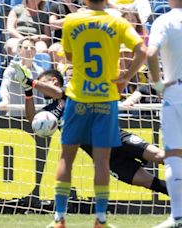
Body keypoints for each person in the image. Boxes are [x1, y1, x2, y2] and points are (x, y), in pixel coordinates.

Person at [47, 0, 148, 226]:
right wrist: (126, 78)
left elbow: (70, 57)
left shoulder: (72, 20)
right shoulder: (117, 21)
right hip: (106, 99)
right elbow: (142, 49)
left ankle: (59, 219)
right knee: (102, 161)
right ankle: (100, 219)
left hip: (78, 98)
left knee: (66, 157)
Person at [17, 69, 168, 196]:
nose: (39, 85)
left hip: (116, 138)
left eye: (41, 81)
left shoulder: (72, 90)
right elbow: (32, 119)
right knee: (150, 183)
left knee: (161, 156)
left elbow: (57, 93)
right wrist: (28, 91)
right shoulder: (50, 112)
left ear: (53, 80)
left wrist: (31, 81)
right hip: (104, 158)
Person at [147, 0, 182, 227]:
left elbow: (150, 52)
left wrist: (158, 84)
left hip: (175, 93)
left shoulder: (165, 20)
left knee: (174, 156)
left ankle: (177, 216)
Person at [0, 38, 44, 116]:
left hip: (32, 117)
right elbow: (4, 87)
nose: (29, 50)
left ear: (35, 51)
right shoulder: (12, 68)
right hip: (14, 116)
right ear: (20, 51)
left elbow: (40, 96)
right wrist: (5, 100)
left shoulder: (39, 71)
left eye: (32, 48)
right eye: (26, 48)